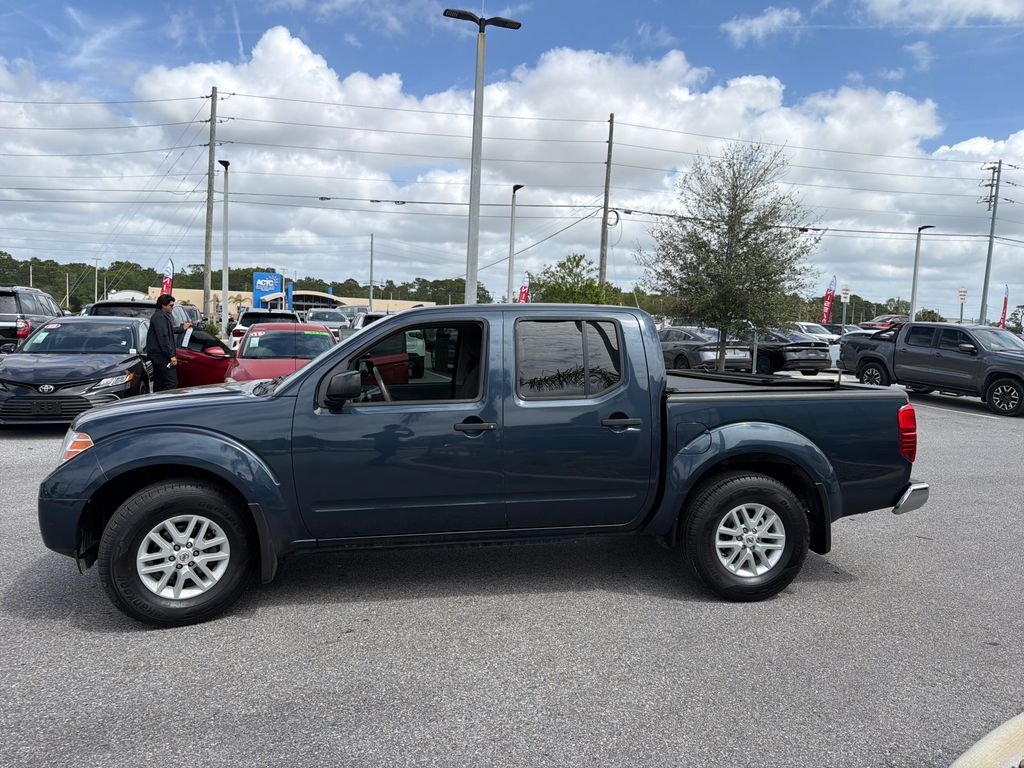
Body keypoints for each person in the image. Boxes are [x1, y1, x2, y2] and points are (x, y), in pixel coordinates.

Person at [146, 294, 191, 391]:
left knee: (159, 382)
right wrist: (171, 355)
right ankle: (165, 402)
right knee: (172, 383)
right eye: (171, 306)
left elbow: (167, 330)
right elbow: (163, 337)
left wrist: (181, 329)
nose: (172, 308)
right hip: (162, 356)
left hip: (159, 355)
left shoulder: (162, 316)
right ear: (163, 305)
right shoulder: (159, 317)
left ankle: (157, 402)